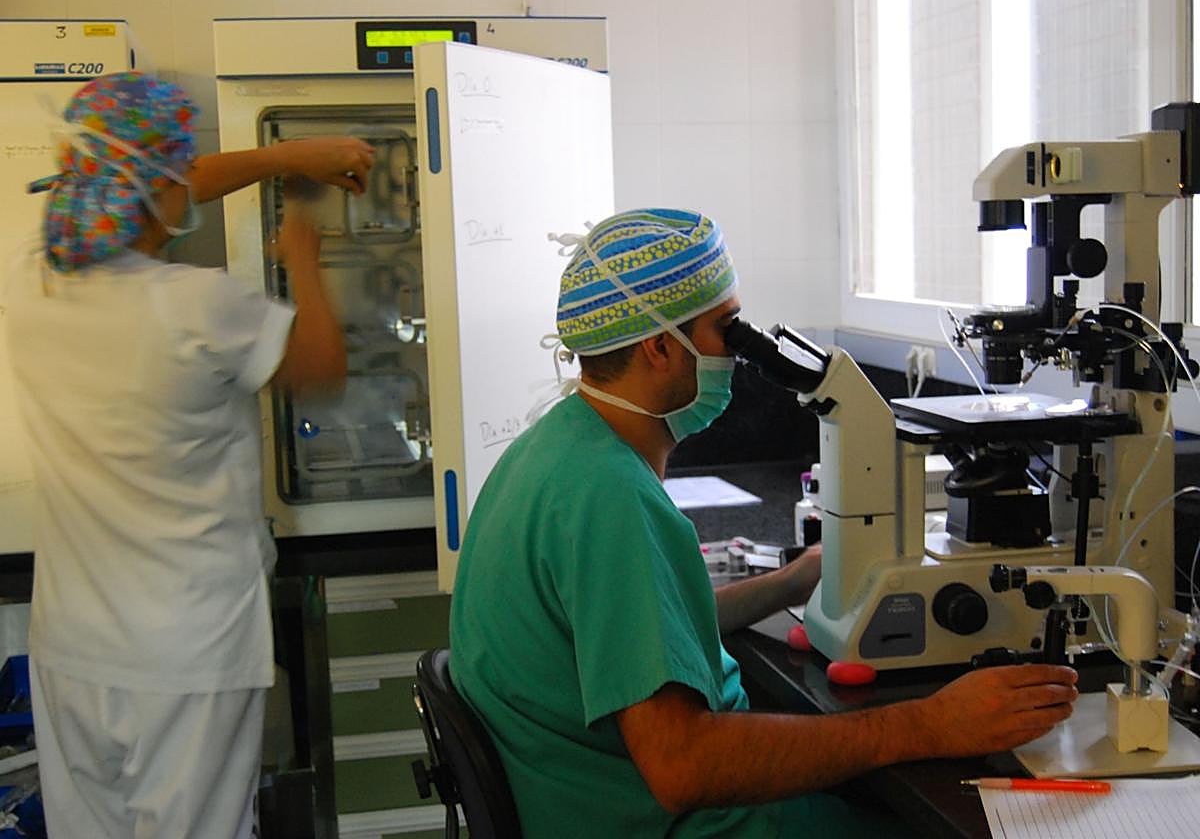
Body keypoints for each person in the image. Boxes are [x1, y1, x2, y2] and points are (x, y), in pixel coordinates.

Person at [449, 208, 1079, 838]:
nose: (741, 351)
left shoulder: (553, 452)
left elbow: (635, 634)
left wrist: (792, 581)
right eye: (727, 330)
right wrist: (930, 724)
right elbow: (684, 766)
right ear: (661, 346)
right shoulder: (611, 497)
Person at [3, 72, 371, 838]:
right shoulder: (200, 305)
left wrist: (288, 155)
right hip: (187, 653)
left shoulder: (31, 278)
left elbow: (141, 171)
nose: (191, 186)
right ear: (158, 187)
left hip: (72, 648)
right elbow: (321, 372)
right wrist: (303, 250)